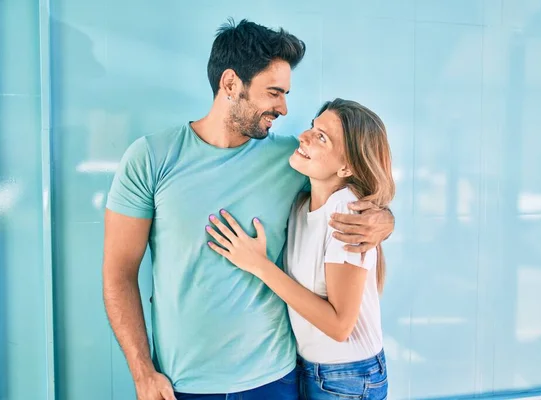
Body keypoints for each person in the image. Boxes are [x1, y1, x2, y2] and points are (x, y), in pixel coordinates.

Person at [102, 19, 395, 400]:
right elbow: (118, 273)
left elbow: (351, 182)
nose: (284, 108)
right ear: (230, 84)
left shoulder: (291, 160)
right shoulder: (151, 158)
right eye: (274, 93)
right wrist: (142, 373)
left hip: (277, 379)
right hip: (183, 385)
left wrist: (384, 220)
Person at [207, 98, 393, 399]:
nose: (304, 136)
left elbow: (339, 325)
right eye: (312, 127)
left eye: (322, 137)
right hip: (312, 370)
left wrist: (259, 265)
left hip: (348, 378)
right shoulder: (301, 204)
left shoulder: (346, 214)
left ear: (347, 166)